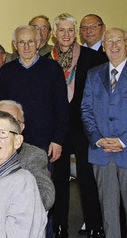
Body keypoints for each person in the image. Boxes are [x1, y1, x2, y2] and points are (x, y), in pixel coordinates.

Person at [48, 13, 107, 238]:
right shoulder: (47, 60)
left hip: (84, 128)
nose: (66, 34)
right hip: (58, 129)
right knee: (59, 180)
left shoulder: (93, 58)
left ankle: (94, 225)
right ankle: (60, 225)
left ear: (76, 33)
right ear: (54, 34)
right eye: (61, 30)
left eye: (70, 30)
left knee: (87, 179)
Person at [0, 25, 68, 164]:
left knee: (43, 183)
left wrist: (58, 140)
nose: (26, 47)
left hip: (45, 143)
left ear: (38, 43)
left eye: (31, 42)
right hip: (13, 141)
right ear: (15, 45)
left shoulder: (53, 69)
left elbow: (62, 108)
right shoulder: (6, 71)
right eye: (21, 42)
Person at [81, 27, 127, 238]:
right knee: (108, 213)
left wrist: (123, 141)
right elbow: (86, 110)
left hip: (126, 150)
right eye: (110, 42)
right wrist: (98, 140)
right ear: (104, 46)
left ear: (126, 43)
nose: (114, 46)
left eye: (119, 41)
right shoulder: (94, 74)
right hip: (101, 153)